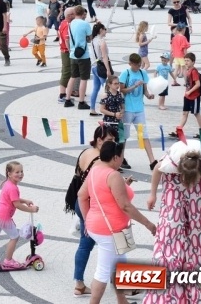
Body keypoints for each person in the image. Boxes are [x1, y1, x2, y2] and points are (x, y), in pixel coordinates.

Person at [78, 141, 157, 304]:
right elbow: (125, 206)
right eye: (121, 156)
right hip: (109, 231)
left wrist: (87, 220)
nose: (122, 159)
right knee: (103, 271)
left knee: (120, 264)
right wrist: (148, 224)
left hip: (98, 226)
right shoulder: (112, 175)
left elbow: (81, 195)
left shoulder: (94, 171)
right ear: (115, 157)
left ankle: (123, 301)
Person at [145, 141, 201, 304]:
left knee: (197, 243)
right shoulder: (171, 161)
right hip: (174, 192)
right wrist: (153, 194)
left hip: (198, 197)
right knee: (169, 241)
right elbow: (157, 170)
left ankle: (194, 295)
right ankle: (168, 297)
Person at [69, 126, 117, 297]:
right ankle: (118, 284)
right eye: (109, 140)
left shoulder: (85, 152)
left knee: (86, 244)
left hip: (82, 202)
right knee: (110, 244)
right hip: (91, 205)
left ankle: (79, 283)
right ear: (99, 140)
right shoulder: (100, 162)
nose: (113, 144)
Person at [0, 161, 40, 269]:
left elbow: (13, 199)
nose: (20, 174)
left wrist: (25, 201)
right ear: (9, 174)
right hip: (4, 217)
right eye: (17, 172)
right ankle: (8, 260)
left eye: (21, 171)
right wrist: (31, 209)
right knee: (14, 236)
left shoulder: (7, 183)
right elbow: (16, 204)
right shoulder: (13, 187)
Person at [119, 53, 158, 169]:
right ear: (130, 64)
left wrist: (149, 95)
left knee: (144, 134)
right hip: (127, 109)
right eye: (136, 65)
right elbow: (122, 90)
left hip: (139, 109)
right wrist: (134, 86)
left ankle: (152, 161)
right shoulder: (125, 74)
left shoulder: (143, 73)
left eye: (140, 65)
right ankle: (121, 158)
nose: (138, 67)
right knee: (124, 136)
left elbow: (145, 90)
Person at [65, 5, 93, 109]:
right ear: (83, 14)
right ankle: (81, 101)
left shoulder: (70, 24)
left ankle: (67, 99)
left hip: (72, 54)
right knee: (84, 79)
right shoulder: (85, 24)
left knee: (72, 77)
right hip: (83, 55)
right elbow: (89, 38)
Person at [175, 52, 201, 136]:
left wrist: (190, 91)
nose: (186, 62)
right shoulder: (188, 70)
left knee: (196, 113)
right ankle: (179, 130)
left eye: (188, 60)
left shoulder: (194, 71)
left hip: (194, 96)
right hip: (187, 96)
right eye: (185, 60)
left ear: (193, 62)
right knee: (184, 113)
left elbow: (198, 84)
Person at [89, 22, 112, 116]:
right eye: (105, 29)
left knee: (95, 88)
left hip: (94, 66)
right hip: (101, 67)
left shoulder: (93, 40)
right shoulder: (101, 41)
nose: (106, 31)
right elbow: (104, 56)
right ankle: (107, 109)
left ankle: (92, 109)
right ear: (101, 30)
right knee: (107, 89)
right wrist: (108, 70)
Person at [58, 8, 76, 102]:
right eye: (74, 14)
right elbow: (66, 39)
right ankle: (62, 94)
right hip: (66, 51)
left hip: (63, 50)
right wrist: (71, 51)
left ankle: (64, 92)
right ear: (69, 15)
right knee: (66, 72)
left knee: (65, 71)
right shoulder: (67, 24)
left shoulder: (62, 23)